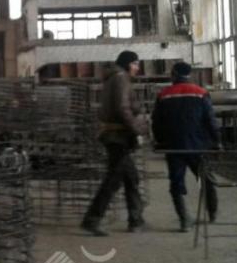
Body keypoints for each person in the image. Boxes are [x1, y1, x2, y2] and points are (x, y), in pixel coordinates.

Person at [82, 50, 148, 236]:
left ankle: (136, 220)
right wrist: (137, 128)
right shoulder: (120, 78)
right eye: (135, 64)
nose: (137, 68)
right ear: (127, 63)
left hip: (115, 135)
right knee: (113, 180)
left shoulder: (115, 77)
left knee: (130, 177)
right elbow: (122, 108)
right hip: (118, 136)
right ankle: (92, 219)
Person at [152, 62, 221, 232]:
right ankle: (212, 214)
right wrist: (217, 141)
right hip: (198, 146)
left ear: (174, 74)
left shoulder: (164, 94)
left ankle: (184, 220)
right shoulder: (201, 93)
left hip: (174, 146)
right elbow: (210, 120)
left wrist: (161, 141)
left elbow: (157, 122)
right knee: (205, 179)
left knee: (176, 182)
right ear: (189, 74)